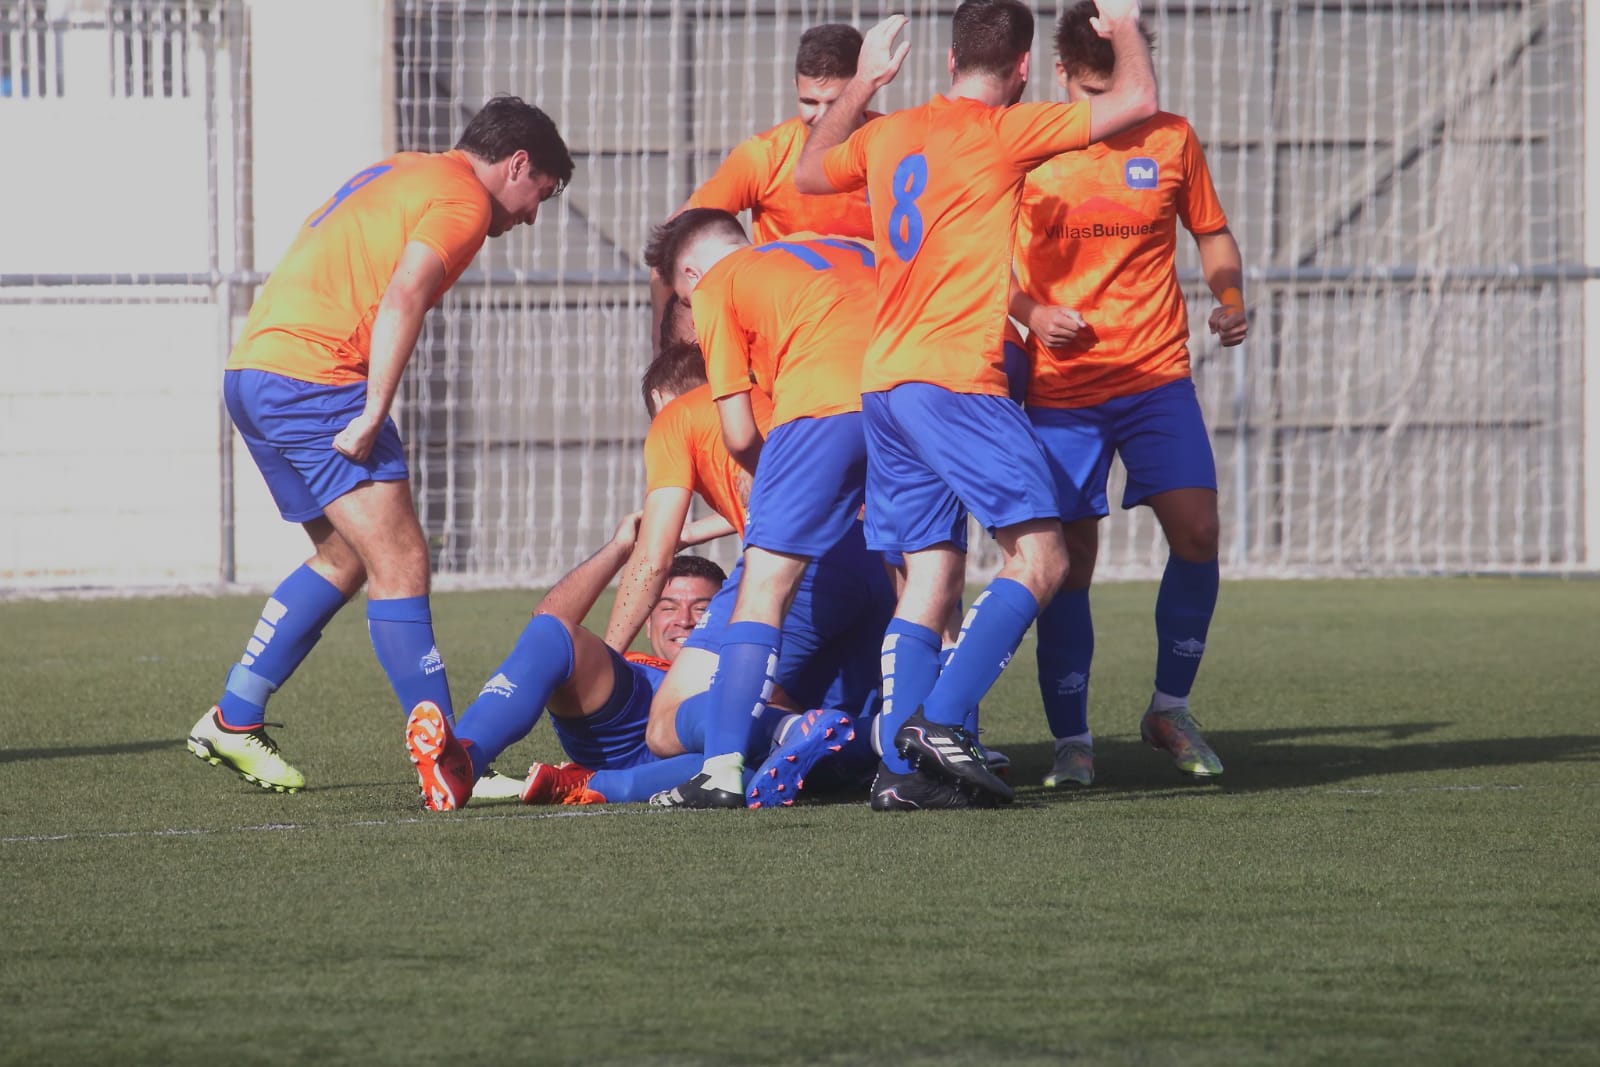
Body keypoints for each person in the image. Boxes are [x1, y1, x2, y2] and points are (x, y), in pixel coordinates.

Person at [794, 1, 1157, 809]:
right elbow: (1136, 103)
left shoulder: (891, 131)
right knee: (1045, 559)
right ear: (1023, 68)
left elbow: (810, 173)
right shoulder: (1005, 129)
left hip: (885, 381)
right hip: (957, 378)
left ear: (950, 60)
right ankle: (942, 721)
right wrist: (1124, 25)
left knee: (931, 574)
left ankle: (899, 771)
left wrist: (862, 84)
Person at [187, 96, 574, 794]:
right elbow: (402, 298)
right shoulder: (463, 203)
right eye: (538, 194)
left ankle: (234, 714)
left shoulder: (406, 169)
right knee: (401, 558)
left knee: (345, 557)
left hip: (254, 369)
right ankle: (452, 759)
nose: (531, 215)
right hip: (317, 378)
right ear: (516, 164)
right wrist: (371, 411)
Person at [1011, 2, 1247, 787]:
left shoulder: (1171, 138)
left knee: (1200, 528)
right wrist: (1032, 313)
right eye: (1087, 92)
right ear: (1057, 79)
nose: (1103, 111)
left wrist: (1230, 293)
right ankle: (1072, 739)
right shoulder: (1027, 148)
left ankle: (1167, 707)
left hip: (1155, 378)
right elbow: (976, 264)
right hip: (1061, 390)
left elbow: (1210, 229)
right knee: (1068, 561)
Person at [641, 210, 878, 807]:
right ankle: (932, 746)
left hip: (824, 430)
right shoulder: (843, 242)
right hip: (922, 404)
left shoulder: (721, 285)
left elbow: (740, 437)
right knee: (935, 585)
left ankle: (722, 766)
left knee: (670, 719)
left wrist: (783, 491)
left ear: (692, 274)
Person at [605, 343, 891, 805]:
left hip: (801, 559)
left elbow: (652, 557)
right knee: (827, 752)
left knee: (665, 726)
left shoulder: (676, 416)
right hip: (880, 555)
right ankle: (887, 737)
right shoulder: (781, 401)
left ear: (660, 398)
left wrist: (608, 656)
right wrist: (696, 531)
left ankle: (794, 734)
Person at [404, 512, 728, 810]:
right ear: (647, 620)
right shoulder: (635, 670)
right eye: (668, 608)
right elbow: (549, 624)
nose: (684, 620)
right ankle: (465, 760)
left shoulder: (743, 671)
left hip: (706, 733)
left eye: (703, 610)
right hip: (623, 724)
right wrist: (619, 548)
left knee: (738, 749)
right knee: (551, 632)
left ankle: (585, 785)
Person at [649, 23, 875, 350]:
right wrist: (664, 343)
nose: (823, 117)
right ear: (795, 86)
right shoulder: (765, 157)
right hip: (784, 341)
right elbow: (669, 246)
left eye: (836, 103)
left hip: (870, 335)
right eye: (810, 101)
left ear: (863, 90)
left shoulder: (892, 146)